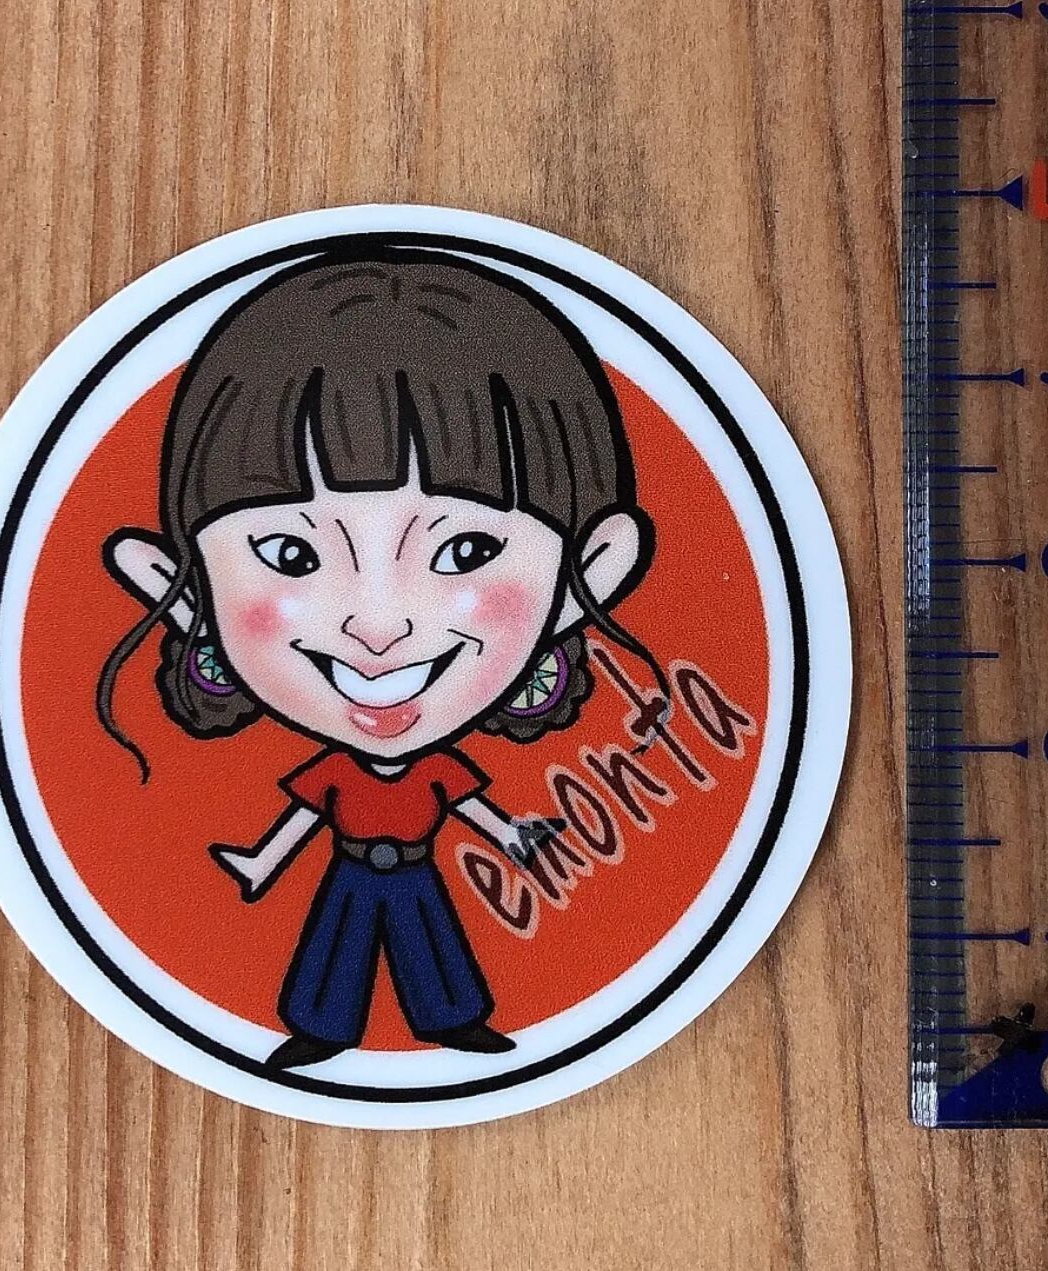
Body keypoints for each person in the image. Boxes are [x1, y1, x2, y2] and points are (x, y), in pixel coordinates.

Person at [98, 247, 659, 1070]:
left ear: (588, 579)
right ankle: (320, 1029)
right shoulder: (335, 771)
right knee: (336, 947)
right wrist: (258, 864)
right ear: (181, 591)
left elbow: (472, 810)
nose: (377, 626)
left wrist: (513, 835)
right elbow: (300, 822)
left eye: (466, 550)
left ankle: (454, 1022)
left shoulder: (438, 769)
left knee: (435, 948)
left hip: (415, 873)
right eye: (290, 554)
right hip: (354, 873)